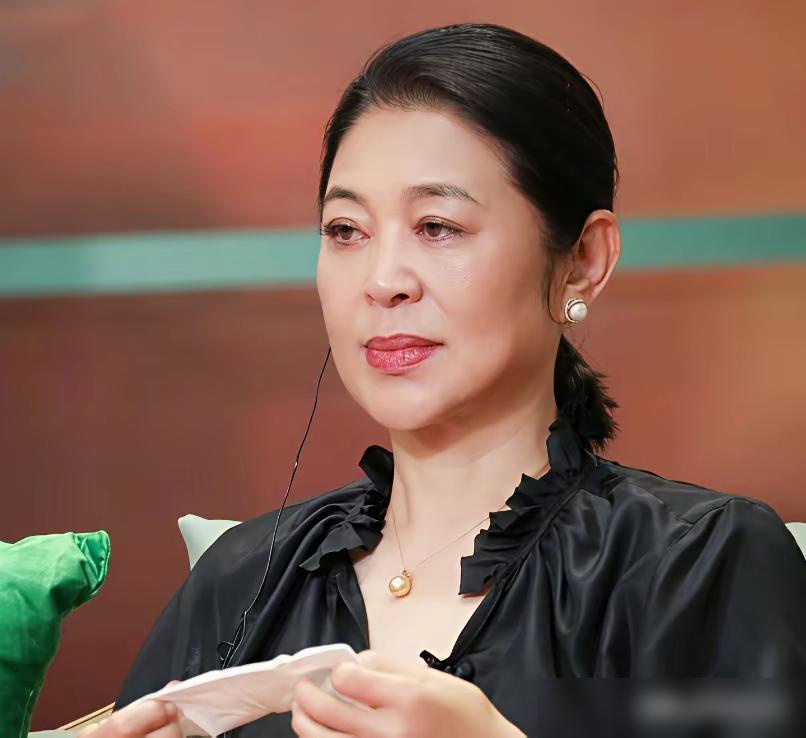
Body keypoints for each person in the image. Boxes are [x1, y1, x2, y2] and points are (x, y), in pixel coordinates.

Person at [91, 22, 806, 738]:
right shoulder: (245, 577)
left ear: (584, 260)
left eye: (437, 226)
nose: (383, 281)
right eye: (346, 230)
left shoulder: (699, 564)